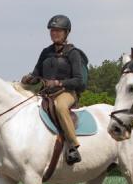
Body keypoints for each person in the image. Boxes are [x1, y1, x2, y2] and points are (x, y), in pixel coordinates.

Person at [20, 15, 88, 165]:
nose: (54, 33)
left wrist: (58, 82)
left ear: (66, 33)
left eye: (58, 31)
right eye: (52, 31)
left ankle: (72, 146)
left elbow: (78, 80)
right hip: (46, 94)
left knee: (60, 107)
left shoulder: (73, 53)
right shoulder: (46, 52)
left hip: (66, 93)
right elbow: (36, 73)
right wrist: (29, 79)